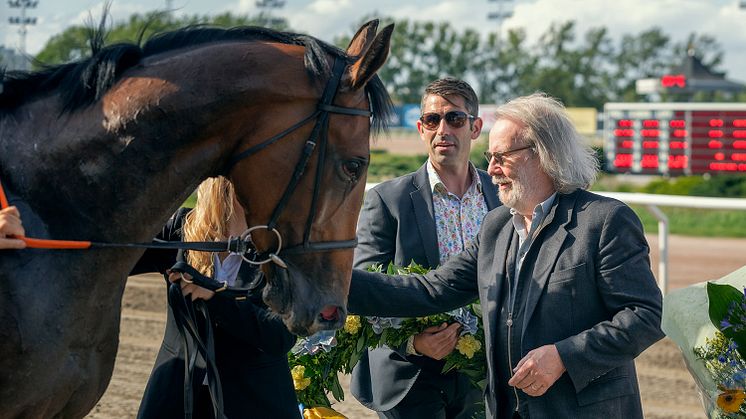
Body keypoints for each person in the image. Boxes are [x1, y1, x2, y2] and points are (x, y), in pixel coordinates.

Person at [348, 92, 664, 419]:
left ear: (543, 154)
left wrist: (563, 357)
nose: (492, 168)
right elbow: (432, 290)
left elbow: (644, 316)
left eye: (502, 156)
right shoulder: (496, 227)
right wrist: (335, 282)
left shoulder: (605, 220)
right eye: (490, 156)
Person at [351, 77, 499, 419]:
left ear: (475, 128)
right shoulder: (388, 201)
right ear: (421, 128)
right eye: (433, 120)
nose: (443, 129)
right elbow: (364, 288)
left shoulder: (502, 194)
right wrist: (414, 342)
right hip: (410, 374)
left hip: (483, 374)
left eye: (455, 119)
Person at [131, 176, 300, 419]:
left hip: (256, 401)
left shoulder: (281, 245)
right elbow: (114, 256)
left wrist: (216, 297)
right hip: (176, 394)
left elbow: (280, 337)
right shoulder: (181, 227)